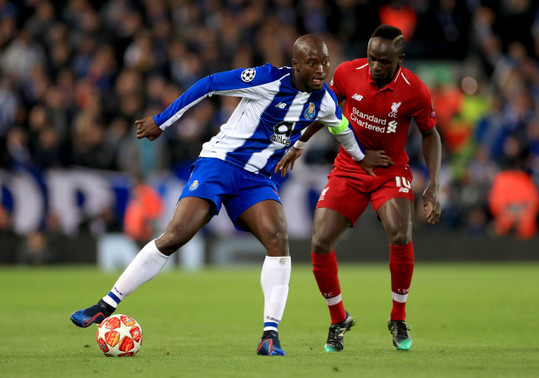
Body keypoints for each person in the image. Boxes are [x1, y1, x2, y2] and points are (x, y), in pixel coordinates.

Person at [70, 34, 372, 357]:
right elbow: (210, 84)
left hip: (256, 180)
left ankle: (270, 335)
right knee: (174, 236)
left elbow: (341, 128)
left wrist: (364, 162)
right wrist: (162, 120)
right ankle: (105, 305)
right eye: (313, 62)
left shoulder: (324, 100)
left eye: (325, 62)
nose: (322, 69)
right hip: (219, 164)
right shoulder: (268, 78)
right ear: (296, 64)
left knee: (278, 238)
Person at [276, 25, 442, 352]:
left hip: (389, 169)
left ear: (400, 60)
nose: (376, 65)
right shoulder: (349, 73)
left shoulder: (415, 90)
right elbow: (325, 110)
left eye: (384, 60)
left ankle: (398, 316)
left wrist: (433, 185)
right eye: (371, 58)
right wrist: (300, 142)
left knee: (400, 233)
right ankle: (338, 319)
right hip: (349, 167)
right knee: (320, 241)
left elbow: (430, 134)